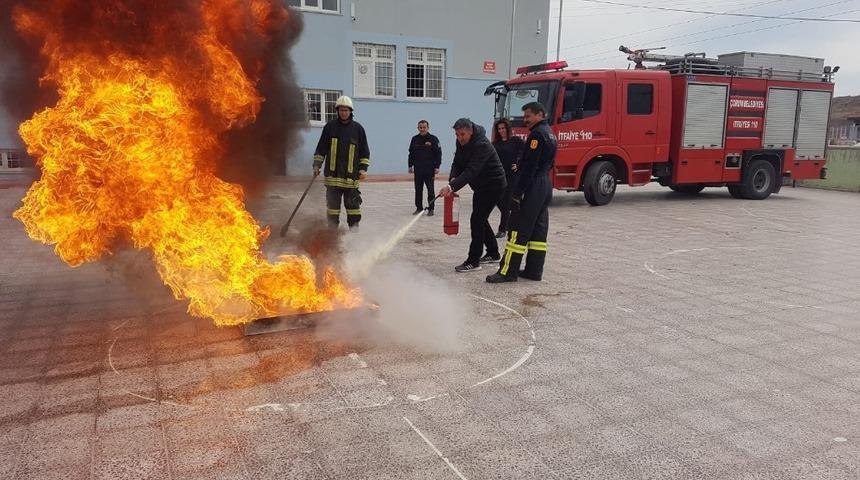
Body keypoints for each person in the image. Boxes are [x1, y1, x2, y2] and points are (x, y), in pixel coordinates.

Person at [487, 102, 556, 283]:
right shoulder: (550, 133)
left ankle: (508, 271)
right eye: (524, 116)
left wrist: (517, 194)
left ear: (540, 114)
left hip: (532, 185)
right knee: (538, 231)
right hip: (545, 184)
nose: (525, 120)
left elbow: (529, 168)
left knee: (517, 228)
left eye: (528, 116)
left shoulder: (536, 135)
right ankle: (534, 270)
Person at [439, 118, 507, 272]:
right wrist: (453, 178)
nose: (459, 138)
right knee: (480, 219)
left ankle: (473, 261)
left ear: (471, 132)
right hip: (480, 186)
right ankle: (493, 253)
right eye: (457, 135)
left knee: (477, 220)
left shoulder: (481, 145)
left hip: (494, 185)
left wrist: (451, 187)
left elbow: (471, 171)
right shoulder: (462, 142)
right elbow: (457, 162)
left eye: (462, 134)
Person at [312, 96, 370, 230]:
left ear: (351, 111)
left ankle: (354, 232)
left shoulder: (358, 129)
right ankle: (332, 234)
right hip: (333, 178)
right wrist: (316, 165)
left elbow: (365, 152)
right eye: (341, 110)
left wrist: (363, 169)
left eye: (346, 110)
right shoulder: (330, 127)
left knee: (353, 208)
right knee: (333, 209)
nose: (344, 113)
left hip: (351, 178)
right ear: (337, 111)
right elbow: (321, 149)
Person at [492, 118, 525, 238]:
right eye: (499, 129)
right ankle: (509, 222)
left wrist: (518, 163)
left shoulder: (515, 141)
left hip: (512, 176)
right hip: (500, 176)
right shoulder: (495, 144)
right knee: (497, 200)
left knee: (506, 203)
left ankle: (503, 229)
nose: (501, 131)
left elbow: (525, 153)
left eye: (503, 128)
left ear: (507, 128)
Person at [408, 120, 442, 216]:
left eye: (424, 127)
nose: (422, 129)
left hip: (429, 169)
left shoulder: (433, 139)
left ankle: (431, 209)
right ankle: (419, 208)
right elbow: (411, 153)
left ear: (428, 128)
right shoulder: (414, 139)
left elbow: (438, 153)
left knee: (430, 189)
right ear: (418, 128)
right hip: (418, 169)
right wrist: (410, 165)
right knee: (418, 189)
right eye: (420, 127)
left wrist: (437, 166)